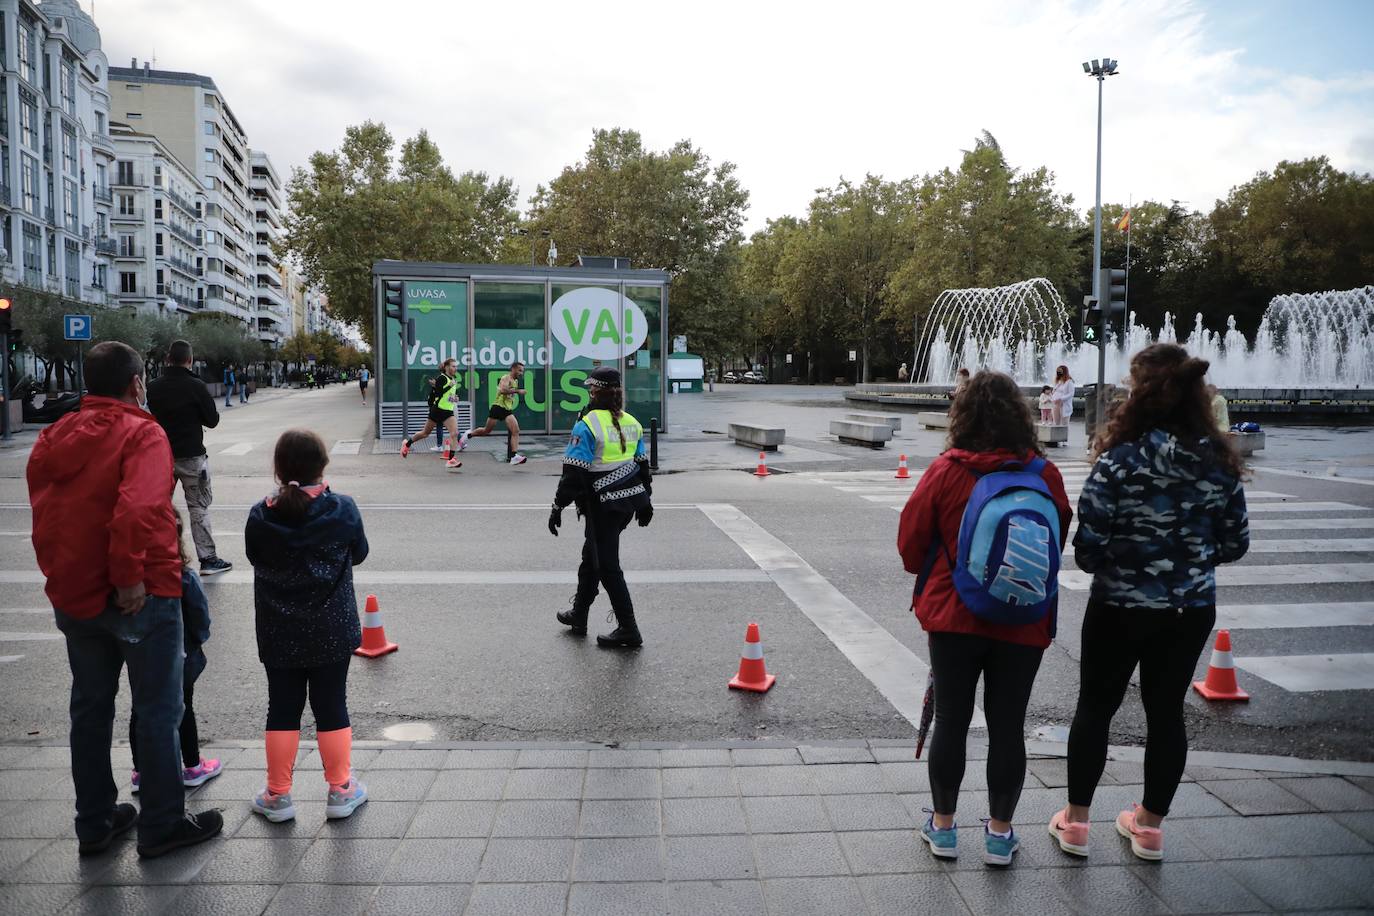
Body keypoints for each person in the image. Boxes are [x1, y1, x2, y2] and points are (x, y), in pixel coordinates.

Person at [1050, 343, 1249, 863]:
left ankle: (1074, 822)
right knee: (1167, 713)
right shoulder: (1218, 464)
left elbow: (1088, 550)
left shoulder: (1119, 462)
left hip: (1118, 607)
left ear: (1139, 395)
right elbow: (1235, 544)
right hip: (1188, 611)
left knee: (1096, 706)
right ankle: (1149, 827)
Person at [27, 341, 223, 859]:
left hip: (74, 593)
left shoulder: (52, 435)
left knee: (90, 711)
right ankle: (162, 825)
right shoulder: (141, 432)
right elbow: (138, 508)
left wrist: (62, 573)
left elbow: (46, 514)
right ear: (136, 383)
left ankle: (94, 822)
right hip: (141, 592)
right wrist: (128, 577)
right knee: (159, 710)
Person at [898, 371, 1072, 867]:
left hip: (954, 617)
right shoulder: (1044, 474)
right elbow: (1054, 539)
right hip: (1023, 619)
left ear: (963, 415)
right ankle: (999, 835)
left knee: (951, 719)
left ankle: (945, 828)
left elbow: (911, 545)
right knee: (1008, 725)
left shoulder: (946, 469)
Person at [246, 429, 370, 823]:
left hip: (278, 629)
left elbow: (253, 555)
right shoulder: (343, 509)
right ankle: (340, 790)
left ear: (279, 469)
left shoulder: (262, 515)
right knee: (332, 704)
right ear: (323, 465)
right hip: (331, 628)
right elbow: (360, 553)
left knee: (282, 708)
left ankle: (278, 796)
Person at [549, 367, 654, 648]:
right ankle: (579, 615)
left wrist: (557, 506)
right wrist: (647, 504)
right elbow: (643, 469)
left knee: (607, 566)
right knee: (591, 557)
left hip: (602, 508)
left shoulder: (587, 424)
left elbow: (573, 474)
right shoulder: (633, 421)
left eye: (590, 389)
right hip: (627, 505)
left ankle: (629, 628)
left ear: (594, 391)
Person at [130, 510, 221, 792]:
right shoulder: (183, 577)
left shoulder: (133, 583)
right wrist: (198, 639)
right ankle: (192, 765)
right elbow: (201, 620)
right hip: (183, 655)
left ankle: (141, 770)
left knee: (140, 709)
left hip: (142, 655)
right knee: (183, 708)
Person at [147, 340, 232, 576]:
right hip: (192, 456)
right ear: (190, 360)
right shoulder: (196, 386)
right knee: (198, 507)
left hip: (162, 456)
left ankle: (160, 557)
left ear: (167, 359)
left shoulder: (153, 386)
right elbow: (212, 420)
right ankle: (208, 559)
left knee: (159, 507)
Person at [398, 357, 462, 469]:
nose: (455, 368)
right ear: (447, 367)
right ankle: (406, 444)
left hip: (448, 411)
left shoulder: (453, 379)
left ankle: (451, 460)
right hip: (437, 410)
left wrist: (454, 398)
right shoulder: (442, 378)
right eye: (453, 366)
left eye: (456, 366)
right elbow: (438, 392)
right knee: (425, 433)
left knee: (454, 433)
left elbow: (448, 396)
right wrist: (450, 386)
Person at [461, 360, 527, 465]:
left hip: (507, 409)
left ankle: (514, 456)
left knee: (515, 430)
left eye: (522, 371)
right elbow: (502, 390)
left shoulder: (515, 381)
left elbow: (509, 394)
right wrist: (518, 391)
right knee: (486, 431)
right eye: (519, 370)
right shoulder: (506, 378)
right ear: (513, 369)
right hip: (498, 407)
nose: (521, 373)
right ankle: (468, 435)